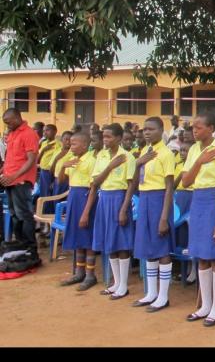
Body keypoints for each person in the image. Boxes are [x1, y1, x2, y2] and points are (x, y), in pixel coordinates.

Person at [178, 111, 215, 325]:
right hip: (198, 200)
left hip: (214, 201)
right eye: (193, 127)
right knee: (201, 256)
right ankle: (205, 306)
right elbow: (185, 181)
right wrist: (200, 161)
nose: (194, 130)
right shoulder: (194, 149)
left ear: (211, 129)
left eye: (199, 127)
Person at [80, 123, 136, 297]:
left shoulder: (127, 157)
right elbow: (96, 182)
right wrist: (110, 166)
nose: (105, 139)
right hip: (104, 199)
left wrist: (123, 209)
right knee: (109, 242)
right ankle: (116, 282)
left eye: (109, 136)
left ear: (118, 138)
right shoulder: (102, 155)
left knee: (122, 243)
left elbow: (131, 185)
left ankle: (123, 285)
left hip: (119, 199)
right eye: (104, 136)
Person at [127, 116, 178, 311]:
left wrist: (164, 217)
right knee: (148, 247)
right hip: (145, 199)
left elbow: (169, 187)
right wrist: (137, 163)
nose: (147, 132)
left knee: (161, 249)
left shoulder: (166, 154)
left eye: (151, 129)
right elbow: (135, 181)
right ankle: (151, 293)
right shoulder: (145, 151)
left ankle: (163, 296)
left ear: (161, 131)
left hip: (159, 200)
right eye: (145, 129)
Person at [0, 108, 43, 269]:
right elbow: (11, 158)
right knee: (14, 215)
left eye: (9, 121)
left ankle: (30, 248)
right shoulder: (12, 133)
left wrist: (14, 175)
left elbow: (31, 160)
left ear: (17, 118)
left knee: (24, 215)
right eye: (5, 123)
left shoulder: (29, 133)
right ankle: (21, 246)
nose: (7, 125)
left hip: (21, 181)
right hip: (9, 180)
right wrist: (4, 172)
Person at [55, 131, 98, 288]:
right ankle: (79, 272)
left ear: (85, 145)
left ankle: (90, 275)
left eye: (74, 143)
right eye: (70, 143)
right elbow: (60, 181)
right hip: (73, 197)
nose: (70, 145)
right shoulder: (71, 160)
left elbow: (93, 189)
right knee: (77, 236)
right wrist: (62, 167)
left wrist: (86, 213)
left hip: (85, 199)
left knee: (87, 237)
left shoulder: (91, 161)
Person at [35, 123, 61, 201]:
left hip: (50, 171)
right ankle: (43, 207)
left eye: (47, 130)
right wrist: (43, 149)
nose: (45, 133)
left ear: (55, 131)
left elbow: (58, 159)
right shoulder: (44, 143)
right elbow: (38, 159)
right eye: (44, 131)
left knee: (48, 192)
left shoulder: (58, 144)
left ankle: (47, 208)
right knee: (43, 191)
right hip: (43, 171)